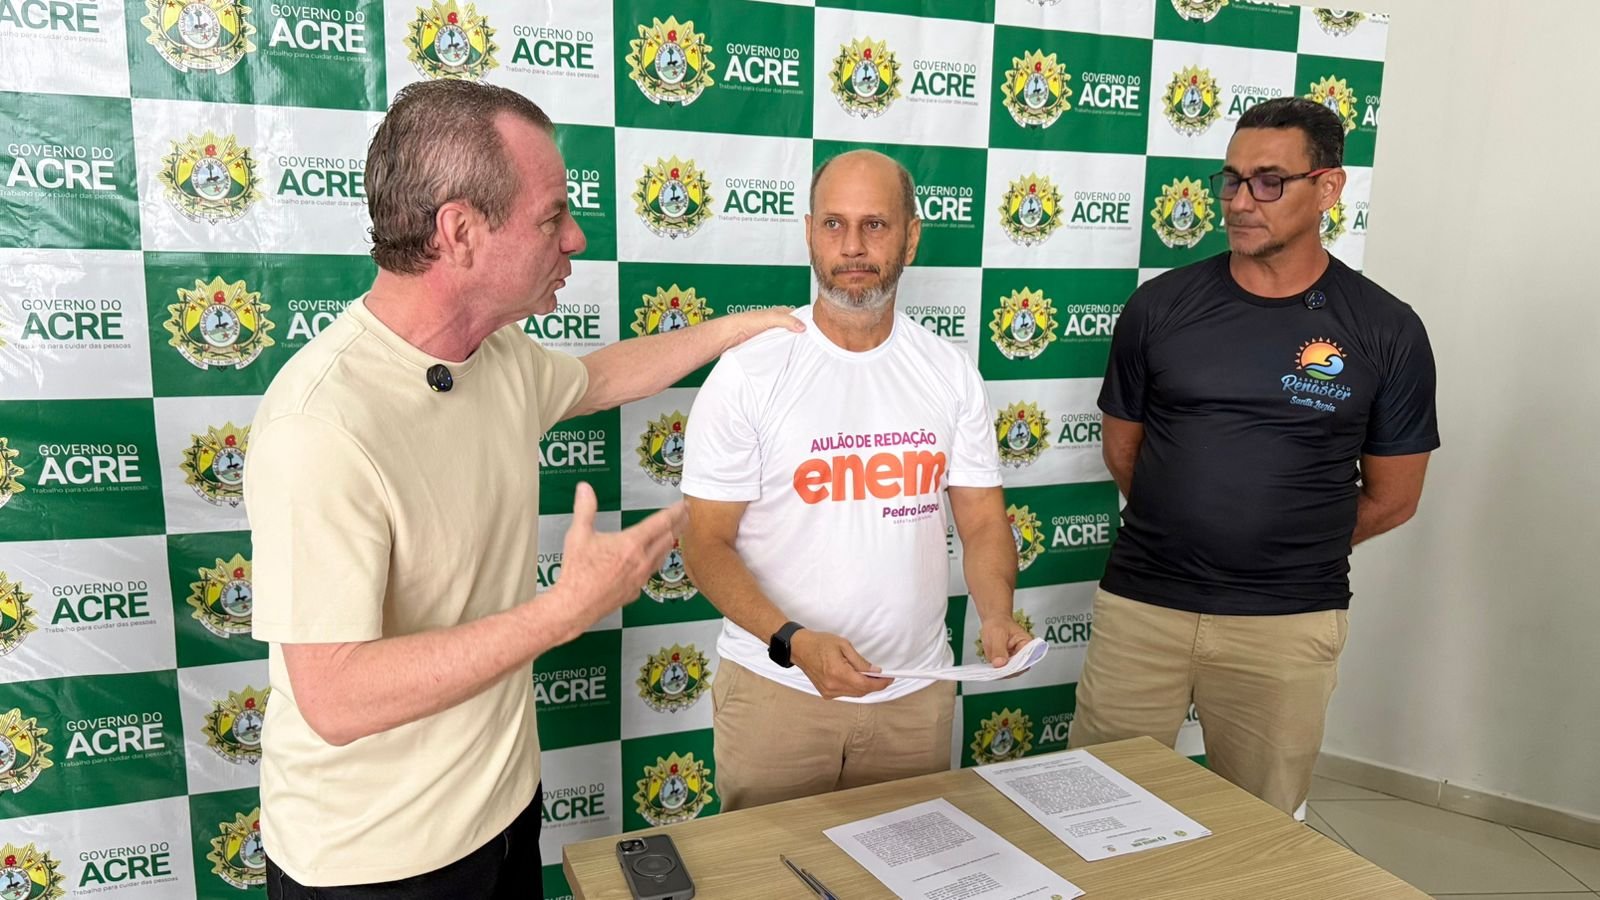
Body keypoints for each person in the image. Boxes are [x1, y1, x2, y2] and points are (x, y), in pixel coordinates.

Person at [244, 79, 800, 898]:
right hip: (376, 866)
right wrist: (562, 612)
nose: (574, 237)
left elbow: (600, 376)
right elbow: (334, 695)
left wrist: (737, 331)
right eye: (551, 217)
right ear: (460, 231)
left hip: (504, 820)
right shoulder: (320, 423)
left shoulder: (497, 358)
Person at [1067, 97, 1439, 814]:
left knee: (1263, 827)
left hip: (1287, 622)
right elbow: (1125, 451)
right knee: (1093, 809)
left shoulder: (1387, 329)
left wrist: (1285, 542)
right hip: (1145, 607)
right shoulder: (1160, 307)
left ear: (1328, 187)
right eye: (1231, 180)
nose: (1240, 201)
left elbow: (1394, 496)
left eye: (1269, 181)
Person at [678, 150, 1031, 811]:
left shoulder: (948, 371)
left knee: (907, 878)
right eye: (834, 225)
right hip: (778, 693)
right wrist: (792, 641)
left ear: (911, 235)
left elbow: (983, 522)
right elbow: (704, 543)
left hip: (916, 694)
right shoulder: (751, 371)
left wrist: (996, 614)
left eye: (876, 225)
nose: (853, 247)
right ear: (810, 231)